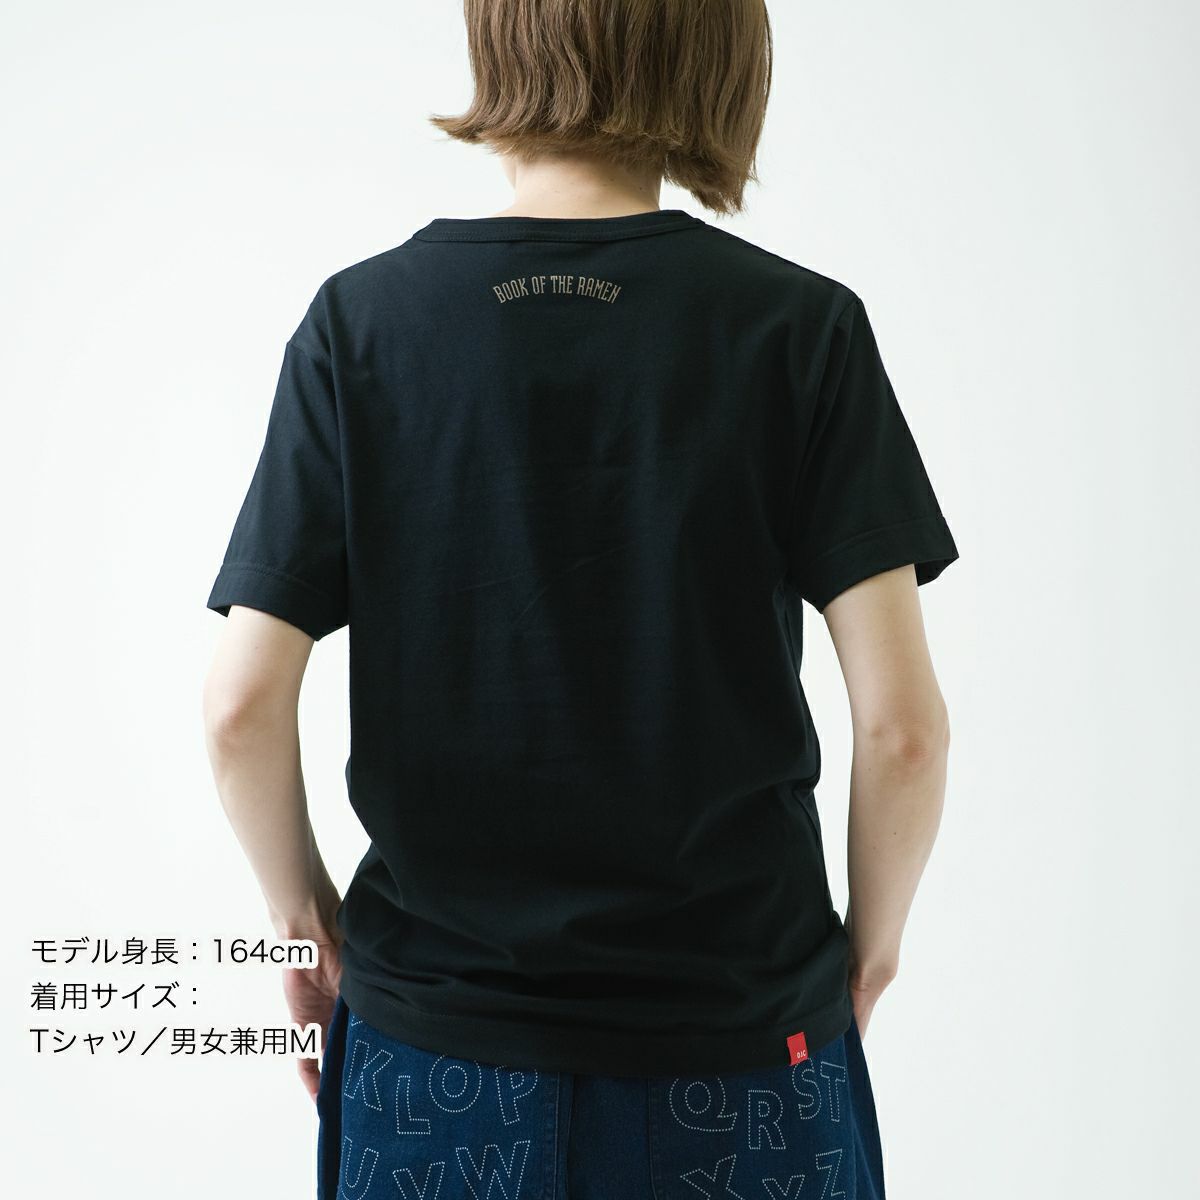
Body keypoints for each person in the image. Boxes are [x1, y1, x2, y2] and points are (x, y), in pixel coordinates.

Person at [201, 2, 958, 1196]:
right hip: (743, 1048)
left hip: (431, 1058)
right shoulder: (800, 330)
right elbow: (904, 730)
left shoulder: (361, 326)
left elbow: (240, 704)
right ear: (717, 61)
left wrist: (303, 920)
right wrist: (870, 950)